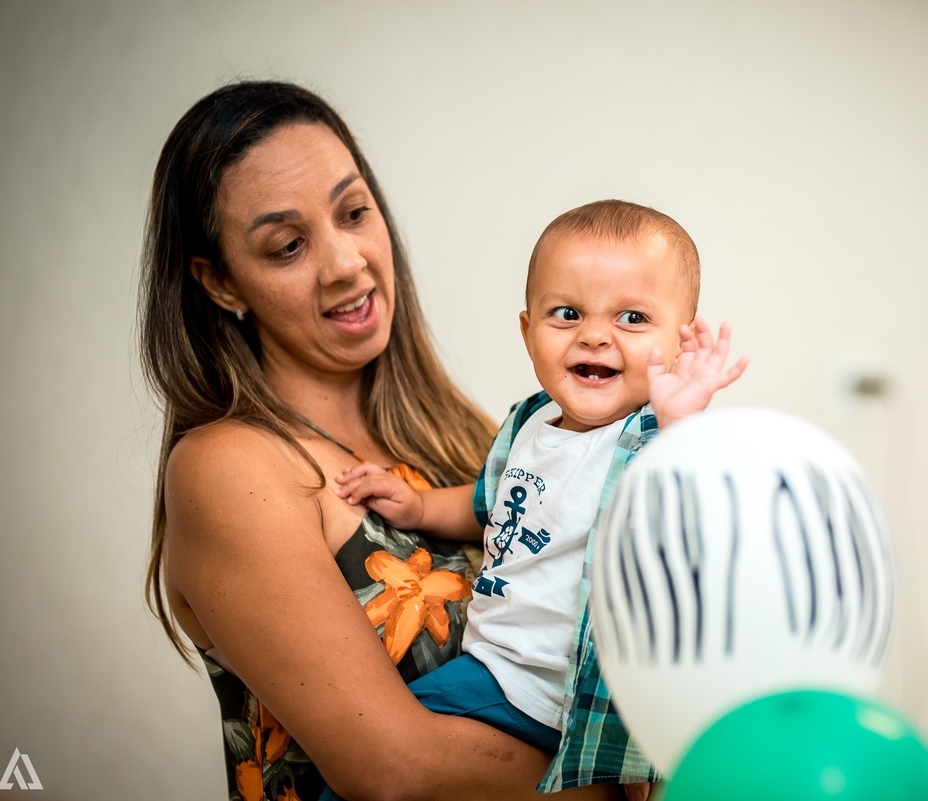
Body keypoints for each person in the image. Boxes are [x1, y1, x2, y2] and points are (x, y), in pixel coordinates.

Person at [140, 80, 626, 801]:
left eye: (354, 212)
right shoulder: (230, 466)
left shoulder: (466, 438)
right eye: (288, 245)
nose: (344, 262)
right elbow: (392, 768)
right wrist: (619, 781)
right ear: (221, 283)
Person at [334, 200, 749, 795]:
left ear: (679, 346)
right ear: (529, 332)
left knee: (376, 756)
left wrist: (680, 419)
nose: (597, 335)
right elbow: (488, 506)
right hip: (499, 667)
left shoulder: (650, 437)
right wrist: (419, 507)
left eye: (633, 317)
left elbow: (688, 514)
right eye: (568, 313)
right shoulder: (527, 423)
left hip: (565, 689)